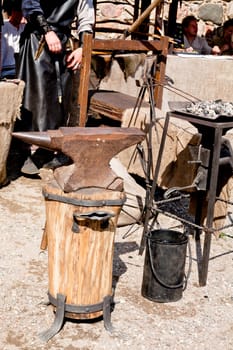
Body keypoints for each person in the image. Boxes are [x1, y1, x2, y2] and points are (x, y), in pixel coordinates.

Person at [17, 0, 95, 175]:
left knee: (60, 100)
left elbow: (86, 19)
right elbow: (29, 4)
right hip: (37, 42)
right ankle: (32, 150)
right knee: (37, 98)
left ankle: (51, 149)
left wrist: (83, 48)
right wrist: (47, 31)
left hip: (63, 44)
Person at [1, 0, 26, 79]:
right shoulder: (4, 26)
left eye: (22, 12)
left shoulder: (23, 27)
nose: (20, 15)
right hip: (5, 68)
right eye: (18, 12)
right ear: (12, 12)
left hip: (20, 66)